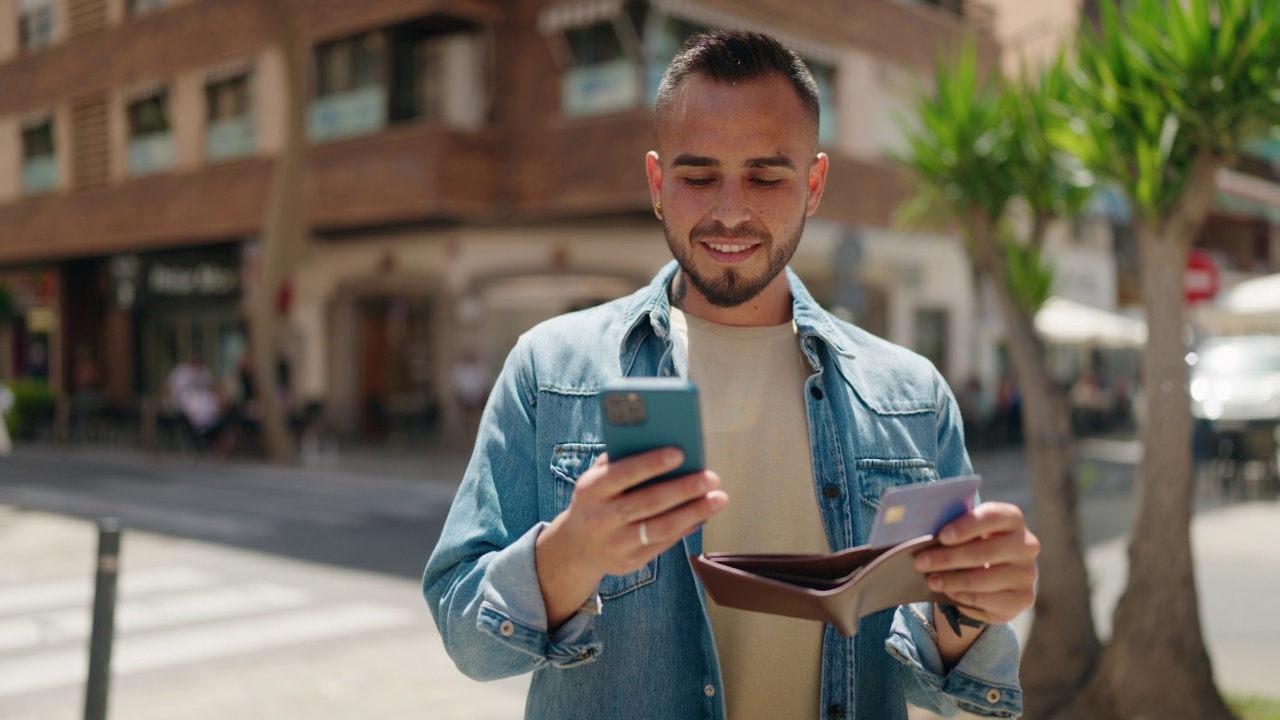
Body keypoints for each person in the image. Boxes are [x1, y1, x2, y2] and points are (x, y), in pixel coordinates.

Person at [423, 31, 1039, 719]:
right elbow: (465, 638)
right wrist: (571, 552)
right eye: (698, 176)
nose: (730, 211)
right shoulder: (550, 368)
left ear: (813, 184)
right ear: (658, 184)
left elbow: (944, 692)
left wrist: (975, 609)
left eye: (767, 177)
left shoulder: (911, 396)